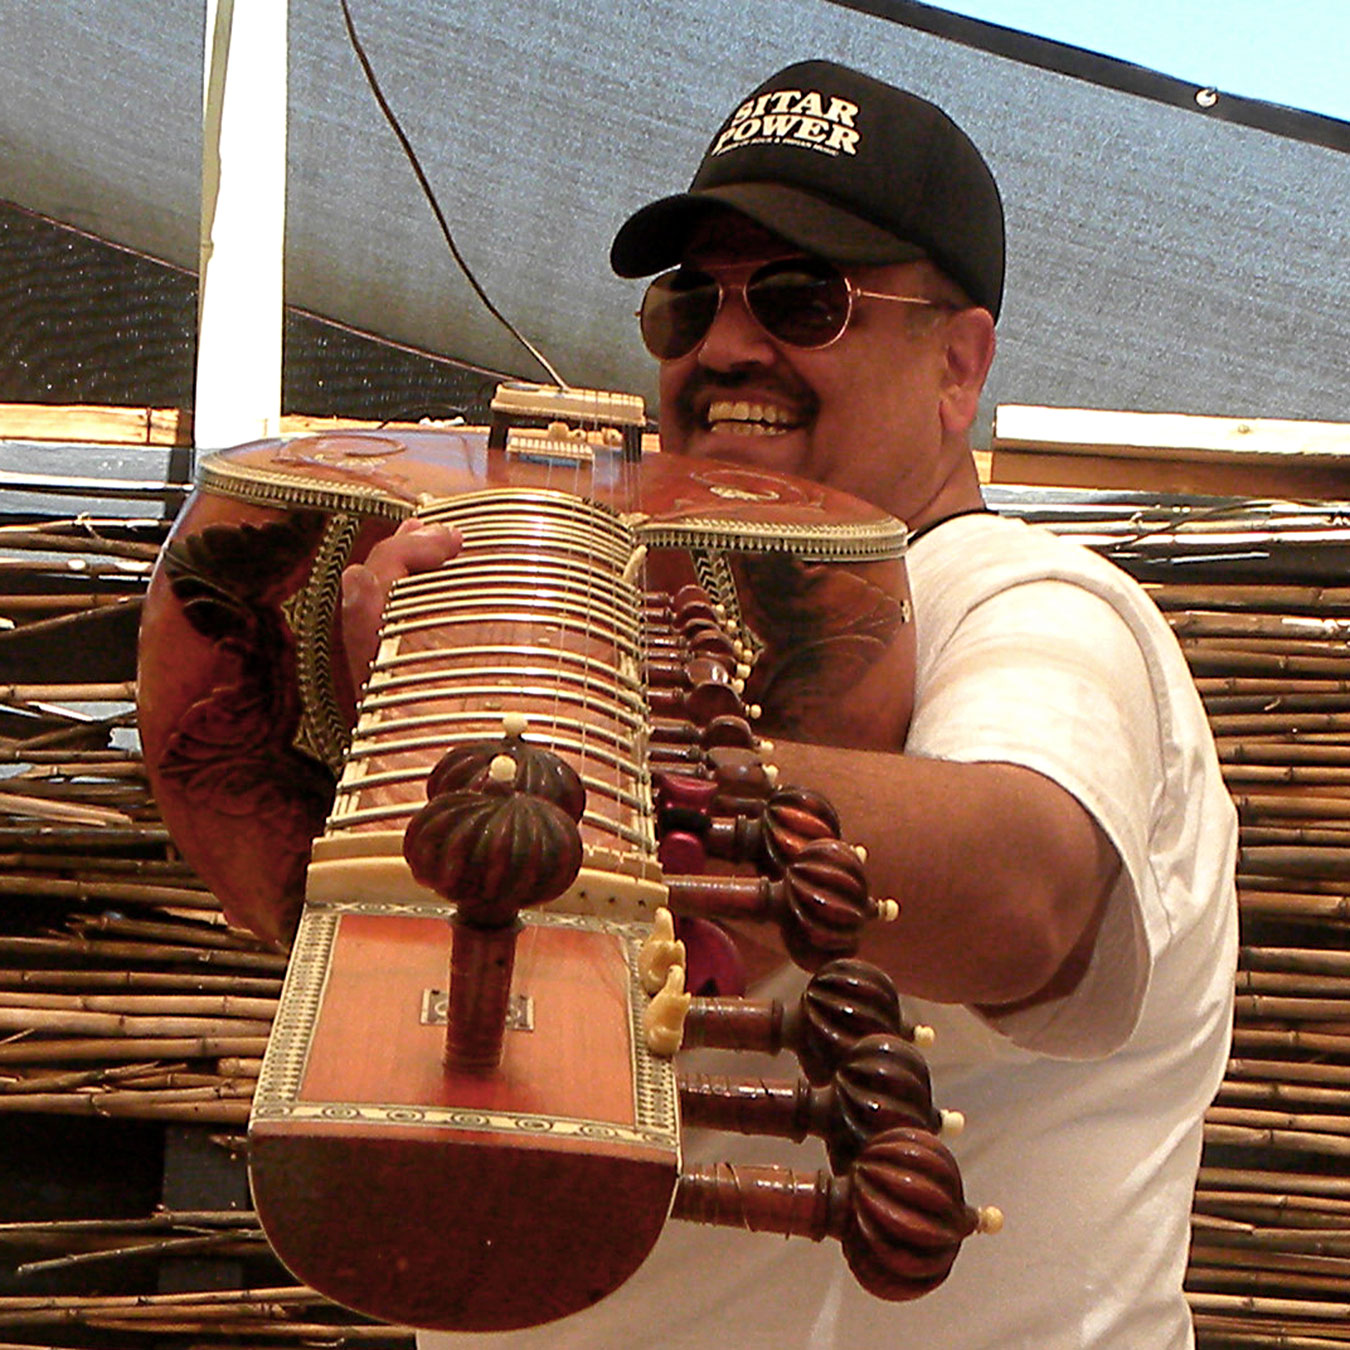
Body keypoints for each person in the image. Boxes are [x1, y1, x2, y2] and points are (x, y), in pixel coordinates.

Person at [351, 59, 1236, 1350]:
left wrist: (532, 726)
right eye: (685, 303)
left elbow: (1021, 889)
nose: (722, 345)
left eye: (800, 299)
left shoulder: (1024, 597)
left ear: (958, 362)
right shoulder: (625, 611)